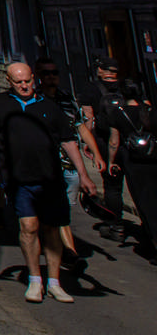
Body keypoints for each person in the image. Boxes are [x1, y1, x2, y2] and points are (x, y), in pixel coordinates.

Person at [0, 61, 99, 303]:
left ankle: (55, 282)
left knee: (51, 229)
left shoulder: (49, 106)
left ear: (33, 78)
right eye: (19, 82)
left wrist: (83, 174)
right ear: (9, 81)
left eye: (27, 81)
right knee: (28, 227)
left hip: (50, 178)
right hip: (18, 178)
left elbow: (69, 141)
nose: (24, 86)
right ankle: (35, 280)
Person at [38, 60, 104, 257]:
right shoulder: (33, 100)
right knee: (59, 210)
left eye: (54, 73)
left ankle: (56, 243)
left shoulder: (67, 98)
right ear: (38, 76)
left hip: (70, 163)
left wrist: (96, 153)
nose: (51, 77)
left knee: (64, 209)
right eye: (46, 73)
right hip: (47, 164)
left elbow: (80, 126)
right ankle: (69, 251)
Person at [81, 60, 130, 239]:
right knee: (139, 186)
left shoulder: (90, 89)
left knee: (112, 186)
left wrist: (89, 143)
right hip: (130, 141)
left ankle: (116, 226)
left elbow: (89, 118)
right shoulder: (126, 86)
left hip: (105, 140)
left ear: (100, 70)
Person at [119, 81, 157, 259]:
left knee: (146, 205)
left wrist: (111, 161)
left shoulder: (118, 113)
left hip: (134, 164)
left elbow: (113, 141)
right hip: (153, 159)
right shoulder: (149, 112)